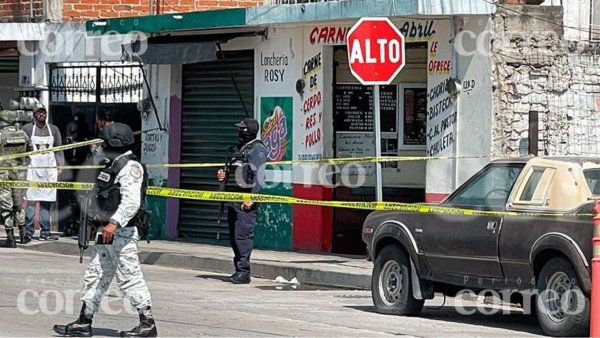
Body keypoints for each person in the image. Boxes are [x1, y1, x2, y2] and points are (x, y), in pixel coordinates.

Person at [53, 122, 157, 337]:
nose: (101, 146)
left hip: (122, 232)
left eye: (105, 142)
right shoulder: (111, 164)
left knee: (129, 275)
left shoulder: (130, 167)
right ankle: (84, 321)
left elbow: (131, 202)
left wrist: (114, 222)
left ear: (115, 143)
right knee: (96, 274)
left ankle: (147, 323)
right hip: (107, 232)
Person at [216, 117, 267, 284]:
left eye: (243, 129)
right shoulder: (240, 149)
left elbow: (259, 176)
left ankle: (244, 272)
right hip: (233, 197)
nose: (240, 132)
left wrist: (252, 198)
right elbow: (232, 170)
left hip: (245, 198)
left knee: (242, 236)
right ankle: (238, 269)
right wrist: (223, 175)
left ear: (250, 130)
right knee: (234, 236)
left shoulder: (257, 149)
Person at [21, 104, 65, 241]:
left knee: (47, 202)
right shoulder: (27, 129)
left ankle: (45, 231)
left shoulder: (54, 129)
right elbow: (22, 149)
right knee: (31, 201)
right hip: (32, 170)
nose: (42, 115)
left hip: (49, 171)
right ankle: (28, 231)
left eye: (43, 112)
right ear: (34, 115)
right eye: (39, 112)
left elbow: (58, 148)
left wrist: (60, 166)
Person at [0, 110, 28, 247]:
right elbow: (29, 152)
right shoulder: (23, 134)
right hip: (20, 173)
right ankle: (23, 235)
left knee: (6, 205)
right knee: (18, 204)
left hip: (3, 173)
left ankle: (10, 238)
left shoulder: (0, 135)